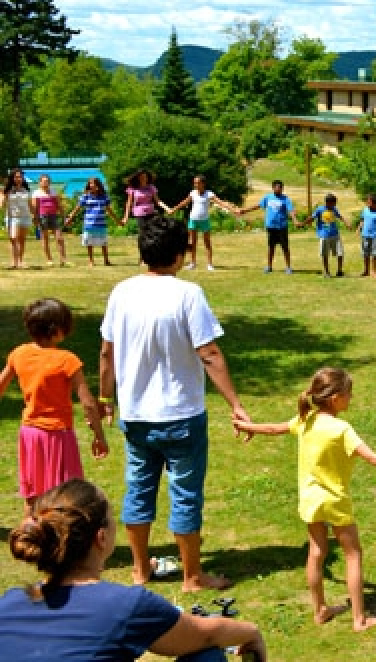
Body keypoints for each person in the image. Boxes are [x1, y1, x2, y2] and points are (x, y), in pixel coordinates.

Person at [99, 214, 254, 592]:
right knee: (185, 495)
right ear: (181, 253)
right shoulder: (188, 294)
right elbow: (210, 353)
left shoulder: (121, 292)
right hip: (182, 414)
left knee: (138, 489)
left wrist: (106, 397)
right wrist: (235, 403)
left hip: (135, 415)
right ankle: (192, 577)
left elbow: (106, 352)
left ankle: (140, 570)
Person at [0, 479, 267, 661]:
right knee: (206, 656)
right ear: (101, 538)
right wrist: (251, 632)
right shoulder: (126, 605)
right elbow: (207, 633)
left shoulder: (8, 603)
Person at [232, 368, 376, 631]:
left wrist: (247, 426)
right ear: (336, 397)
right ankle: (359, 619)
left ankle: (320, 611)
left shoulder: (307, 419)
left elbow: (274, 428)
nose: (351, 398)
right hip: (335, 501)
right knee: (353, 554)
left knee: (316, 552)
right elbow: (371, 456)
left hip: (310, 500)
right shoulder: (341, 429)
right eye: (349, 394)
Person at [1, 298, 109, 516]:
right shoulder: (67, 360)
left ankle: (32, 538)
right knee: (68, 494)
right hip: (58, 436)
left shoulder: (19, 353)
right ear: (58, 330)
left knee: (33, 495)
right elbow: (88, 404)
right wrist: (99, 436)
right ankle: (65, 544)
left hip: (30, 434)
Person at [169, 176, 237, 272]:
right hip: (193, 220)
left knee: (207, 242)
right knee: (193, 242)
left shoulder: (209, 194)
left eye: (198, 183)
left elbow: (221, 202)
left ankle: (209, 264)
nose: (196, 185)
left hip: (204, 221)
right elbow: (184, 202)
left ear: (203, 184)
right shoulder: (192, 193)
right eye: (195, 183)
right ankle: (192, 263)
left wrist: (233, 210)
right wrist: (174, 209)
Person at [238, 179, 300, 274]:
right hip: (271, 227)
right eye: (276, 188)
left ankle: (288, 267)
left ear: (282, 189)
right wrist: (245, 210)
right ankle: (269, 266)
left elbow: (291, 210)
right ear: (273, 188)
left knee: (285, 247)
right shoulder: (268, 197)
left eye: (280, 188)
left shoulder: (285, 199)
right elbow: (258, 206)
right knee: (271, 247)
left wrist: (295, 220)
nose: (278, 190)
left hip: (282, 227)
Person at [65, 177, 120, 267]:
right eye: (90, 183)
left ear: (98, 185)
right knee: (89, 242)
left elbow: (109, 210)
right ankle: (91, 261)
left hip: (101, 223)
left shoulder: (104, 196)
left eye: (94, 183)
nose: (92, 185)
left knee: (103, 243)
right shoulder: (85, 196)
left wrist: (117, 221)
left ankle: (106, 260)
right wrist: (70, 217)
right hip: (89, 223)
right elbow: (77, 208)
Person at [305, 193, 349, 278]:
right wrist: (303, 223)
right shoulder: (320, 209)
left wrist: (347, 223)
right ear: (328, 202)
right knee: (325, 254)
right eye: (333, 203)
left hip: (335, 234)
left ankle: (339, 271)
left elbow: (340, 216)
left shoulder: (334, 209)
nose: (334, 205)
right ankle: (326, 271)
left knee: (340, 253)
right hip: (324, 235)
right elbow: (312, 217)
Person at [32, 174, 67, 267]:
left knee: (59, 238)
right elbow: (35, 207)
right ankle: (49, 259)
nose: (46, 183)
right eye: (44, 181)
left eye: (47, 181)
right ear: (40, 182)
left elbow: (59, 204)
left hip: (53, 216)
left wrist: (64, 216)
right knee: (45, 238)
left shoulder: (53, 192)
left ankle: (63, 259)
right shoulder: (36, 193)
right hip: (42, 216)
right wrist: (35, 218)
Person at [121, 169, 169, 233]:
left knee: (156, 231)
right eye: (141, 177)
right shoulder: (133, 188)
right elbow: (129, 204)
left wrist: (167, 208)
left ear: (147, 177)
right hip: (140, 214)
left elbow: (158, 201)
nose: (143, 179)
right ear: (138, 178)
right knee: (144, 233)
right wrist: (125, 218)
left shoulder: (151, 187)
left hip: (151, 213)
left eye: (145, 177)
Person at [3, 167, 33, 269]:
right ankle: (13, 261)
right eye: (16, 177)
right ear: (12, 178)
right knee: (13, 238)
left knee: (22, 240)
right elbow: (2, 204)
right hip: (12, 218)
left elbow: (30, 205)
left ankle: (20, 261)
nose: (19, 178)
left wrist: (35, 216)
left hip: (25, 217)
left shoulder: (26, 190)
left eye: (20, 177)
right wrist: (4, 196)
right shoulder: (7, 190)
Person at [355, 194, 376, 278]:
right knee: (365, 254)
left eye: (369, 201)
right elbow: (362, 220)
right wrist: (358, 229)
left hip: (375, 236)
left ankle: (373, 271)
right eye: (367, 201)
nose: (367, 202)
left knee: (375, 254)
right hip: (365, 235)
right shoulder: (365, 210)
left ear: (374, 203)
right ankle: (366, 270)